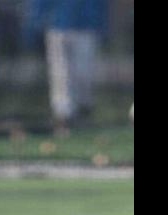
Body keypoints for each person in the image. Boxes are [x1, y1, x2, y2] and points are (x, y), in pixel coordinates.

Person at [24, 0, 106, 132]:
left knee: (84, 72)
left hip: (86, 25)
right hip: (57, 24)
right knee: (60, 73)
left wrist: (101, 22)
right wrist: (36, 21)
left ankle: (83, 107)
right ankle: (63, 114)